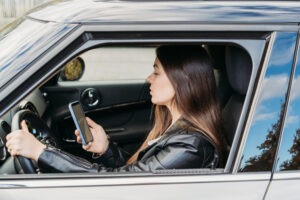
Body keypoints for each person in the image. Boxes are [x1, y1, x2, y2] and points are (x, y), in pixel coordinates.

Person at [6, 45, 228, 173]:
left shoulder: (192, 146)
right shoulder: (175, 127)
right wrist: (105, 149)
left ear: (183, 80)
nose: (148, 78)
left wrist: (41, 153)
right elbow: (136, 174)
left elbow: (118, 185)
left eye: (157, 72)